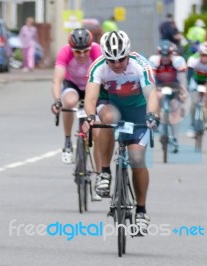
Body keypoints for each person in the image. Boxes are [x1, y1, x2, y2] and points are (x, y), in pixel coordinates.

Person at [82, 30, 159, 235]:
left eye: (120, 59)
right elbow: (90, 98)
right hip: (111, 105)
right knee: (106, 119)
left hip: (137, 110)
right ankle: (105, 172)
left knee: (137, 158)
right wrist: (90, 117)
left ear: (128, 53)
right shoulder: (98, 66)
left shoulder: (139, 64)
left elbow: (152, 95)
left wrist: (152, 115)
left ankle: (141, 210)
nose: (116, 64)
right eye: (111, 61)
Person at [50, 28, 109, 201]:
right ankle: (68, 141)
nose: (82, 55)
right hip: (74, 85)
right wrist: (56, 100)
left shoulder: (97, 51)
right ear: (71, 49)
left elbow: (106, 75)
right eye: (78, 52)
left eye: (86, 51)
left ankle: (100, 178)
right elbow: (57, 79)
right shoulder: (64, 52)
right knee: (68, 103)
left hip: (94, 88)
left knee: (97, 134)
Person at [148, 40, 189, 152]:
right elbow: (150, 80)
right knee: (155, 97)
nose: (165, 58)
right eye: (163, 55)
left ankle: (175, 138)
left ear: (172, 54)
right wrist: (153, 92)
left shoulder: (179, 61)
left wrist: (183, 92)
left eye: (168, 55)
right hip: (159, 85)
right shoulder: (153, 60)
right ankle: (155, 119)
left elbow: (182, 80)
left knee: (176, 109)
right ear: (159, 53)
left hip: (174, 86)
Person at [186, 41, 207, 135]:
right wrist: (189, 87)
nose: (205, 58)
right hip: (196, 79)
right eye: (203, 55)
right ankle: (192, 125)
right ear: (199, 54)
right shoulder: (193, 59)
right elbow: (189, 77)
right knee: (193, 102)